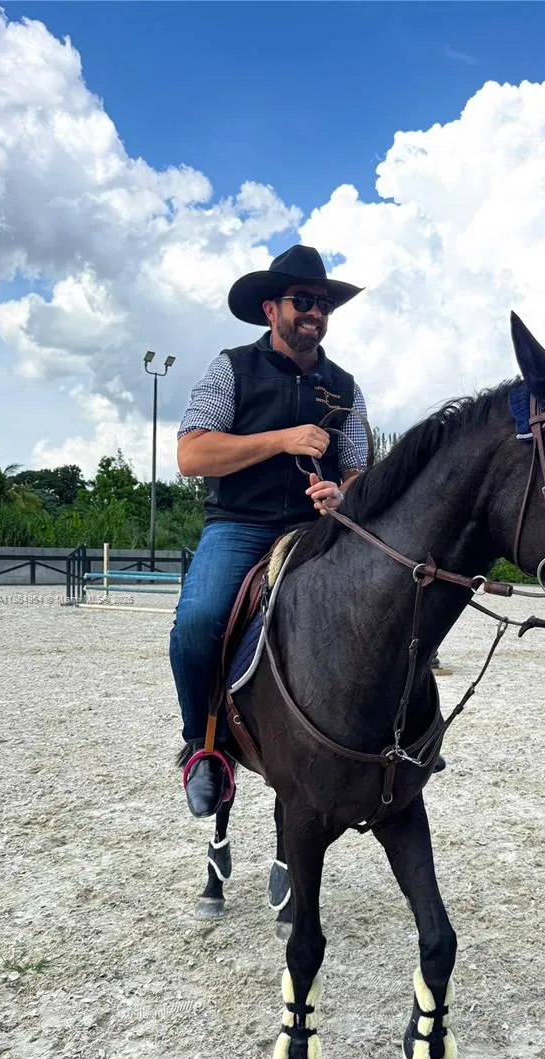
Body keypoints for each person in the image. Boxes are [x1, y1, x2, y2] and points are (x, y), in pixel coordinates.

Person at [170, 245, 369, 817]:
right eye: (302, 301)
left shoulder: (346, 386)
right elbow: (191, 454)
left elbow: (359, 470)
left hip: (318, 527)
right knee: (198, 622)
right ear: (270, 309)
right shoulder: (231, 368)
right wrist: (282, 439)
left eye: (324, 304)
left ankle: (400, 727)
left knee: (392, 597)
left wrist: (344, 495)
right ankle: (204, 747)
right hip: (240, 524)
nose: (315, 313)